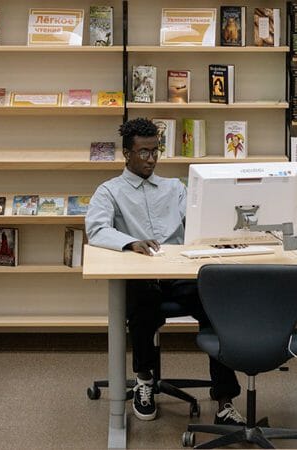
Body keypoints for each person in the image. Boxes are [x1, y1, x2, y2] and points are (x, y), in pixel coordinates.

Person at [86, 118, 244, 425]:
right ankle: (144, 380)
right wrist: (130, 242)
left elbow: (199, 224)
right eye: (143, 152)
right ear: (126, 154)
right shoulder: (109, 191)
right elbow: (96, 229)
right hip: (142, 280)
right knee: (143, 308)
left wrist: (219, 238)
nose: (151, 159)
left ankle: (224, 399)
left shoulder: (175, 188)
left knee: (215, 306)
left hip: (179, 275)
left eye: (155, 151)